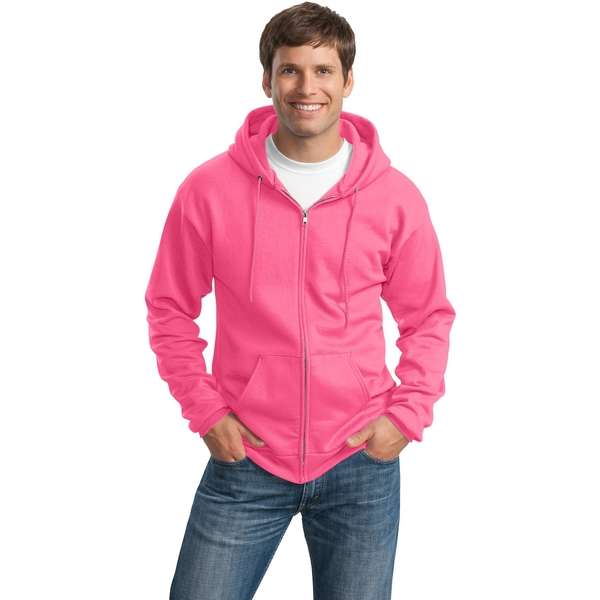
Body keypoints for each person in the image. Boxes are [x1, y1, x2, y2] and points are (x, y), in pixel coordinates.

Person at [144, 2, 456, 599]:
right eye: (290, 70)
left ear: (347, 80)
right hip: (247, 458)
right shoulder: (208, 189)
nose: (306, 87)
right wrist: (206, 412)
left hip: (359, 460)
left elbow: (428, 317)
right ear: (267, 80)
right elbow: (169, 307)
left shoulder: (394, 198)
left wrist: (406, 416)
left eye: (323, 70)